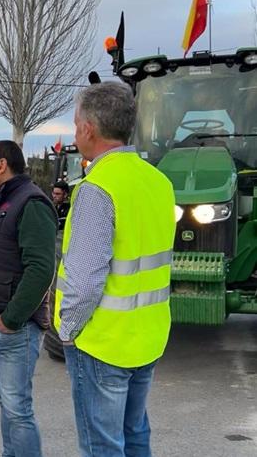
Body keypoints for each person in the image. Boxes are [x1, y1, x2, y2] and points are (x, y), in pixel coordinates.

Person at [55, 82, 175, 457]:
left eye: (76, 125)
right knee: (135, 433)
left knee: (102, 446)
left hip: (104, 344)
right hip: (149, 335)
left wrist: (67, 328)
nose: (75, 133)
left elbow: (86, 281)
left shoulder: (96, 190)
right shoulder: (159, 182)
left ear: (89, 129)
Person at [0, 140, 57, 457]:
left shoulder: (30, 203)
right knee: (6, 404)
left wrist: (11, 319)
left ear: (1, 166)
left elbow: (41, 269)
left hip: (13, 331)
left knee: (18, 410)